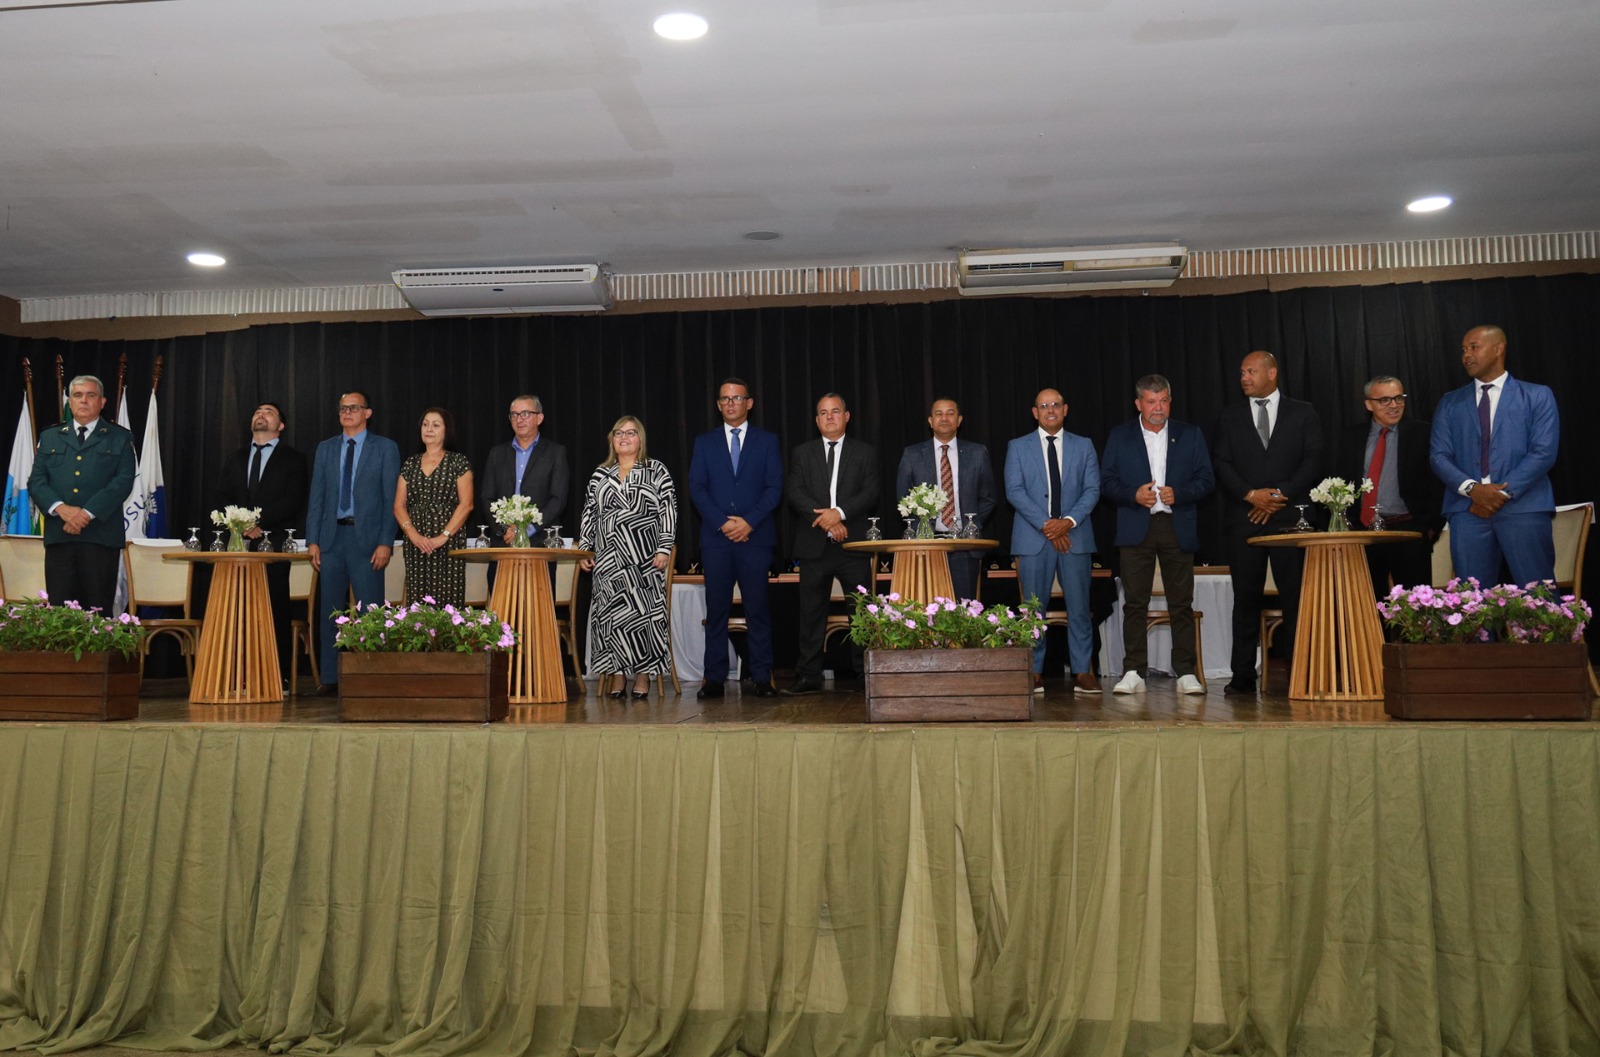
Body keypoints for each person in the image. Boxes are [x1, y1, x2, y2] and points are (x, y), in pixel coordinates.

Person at [1212, 351, 1323, 696]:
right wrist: (1250, 495)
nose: (1244, 377)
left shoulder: (1303, 412)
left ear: (1272, 373)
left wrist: (1278, 496)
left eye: (1251, 371)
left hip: (1290, 520)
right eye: (1241, 371)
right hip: (1245, 520)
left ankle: (1298, 671)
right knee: (1245, 599)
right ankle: (1242, 675)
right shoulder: (1229, 416)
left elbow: (1313, 460)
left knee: (1295, 599)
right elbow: (1222, 462)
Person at [1100, 375, 1214, 696]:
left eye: (1163, 401)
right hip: (1137, 526)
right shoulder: (1121, 436)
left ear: (1170, 401)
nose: (1158, 408)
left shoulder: (1190, 435)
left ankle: (1186, 672)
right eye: (1151, 402)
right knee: (1135, 603)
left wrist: (1182, 493)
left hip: (1177, 526)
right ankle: (1133, 670)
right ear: (1138, 404)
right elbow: (1106, 482)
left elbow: (1207, 479)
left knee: (1182, 603)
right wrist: (1133, 495)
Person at [1429, 324, 1559, 586]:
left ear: (1499, 349)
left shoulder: (1537, 395)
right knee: (1472, 602)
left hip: (1524, 508)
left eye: (1474, 347)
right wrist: (1473, 490)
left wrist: (1498, 494)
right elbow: (1439, 456)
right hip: (1468, 511)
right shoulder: (1450, 402)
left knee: (1538, 596)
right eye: (1464, 349)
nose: (1466, 355)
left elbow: (1543, 452)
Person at [688, 377, 783, 699]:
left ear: (749, 403)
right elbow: (697, 489)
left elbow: (774, 489)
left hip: (755, 539)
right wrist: (723, 523)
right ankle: (713, 678)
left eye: (736, 398)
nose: (730, 403)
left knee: (757, 610)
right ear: (718, 405)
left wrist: (749, 522)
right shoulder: (704, 442)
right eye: (725, 399)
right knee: (717, 611)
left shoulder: (767, 441)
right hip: (717, 539)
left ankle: (761, 677)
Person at [1004, 388, 1102, 695]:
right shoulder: (1017, 447)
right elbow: (1014, 491)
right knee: (1033, 610)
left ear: (1065, 409)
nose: (1050, 410)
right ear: (1035, 412)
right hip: (1034, 538)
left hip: (1075, 536)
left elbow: (1092, 490)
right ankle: (1033, 671)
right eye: (1044, 406)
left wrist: (1067, 523)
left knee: (1079, 608)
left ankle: (1083, 670)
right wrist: (1049, 526)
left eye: (1055, 405)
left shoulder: (1083, 445)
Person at [304, 391, 401, 694]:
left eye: (354, 408)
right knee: (329, 612)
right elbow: (316, 497)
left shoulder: (385, 448)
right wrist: (313, 540)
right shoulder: (325, 449)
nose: (347, 413)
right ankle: (330, 679)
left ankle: (374, 676)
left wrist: (386, 541)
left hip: (368, 540)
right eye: (343, 408)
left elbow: (391, 500)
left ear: (367, 413)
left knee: (371, 612)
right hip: (331, 539)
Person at [784, 393, 880, 695]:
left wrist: (839, 515)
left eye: (835, 411)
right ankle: (809, 675)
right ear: (816, 420)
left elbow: (871, 491)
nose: (829, 417)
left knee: (861, 613)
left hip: (853, 546)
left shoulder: (864, 452)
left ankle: (865, 674)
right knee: (811, 613)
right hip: (814, 545)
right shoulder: (802, 452)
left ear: (847, 416)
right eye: (823, 413)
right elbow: (795, 491)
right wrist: (827, 520)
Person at [577, 416, 677, 699]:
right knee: (611, 617)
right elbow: (589, 514)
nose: (624, 437)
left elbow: (669, 509)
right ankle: (618, 675)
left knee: (643, 617)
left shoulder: (656, 470)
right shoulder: (601, 473)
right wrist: (586, 548)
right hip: (608, 561)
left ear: (640, 439)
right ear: (612, 439)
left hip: (645, 560)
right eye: (619, 433)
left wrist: (664, 547)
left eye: (631, 433)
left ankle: (643, 676)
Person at [211, 402, 308, 685]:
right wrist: (240, 525)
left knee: (274, 608)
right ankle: (238, 674)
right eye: (257, 412)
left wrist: (259, 524)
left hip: (274, 544)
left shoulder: (294, 459)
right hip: (237, 544)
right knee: (238, 609)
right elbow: (221, 497)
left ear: (281, 426)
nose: (260, 415)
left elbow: (293, 499)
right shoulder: (236, 458)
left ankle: (277, 676)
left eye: (268, 412)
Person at [28, 374, 136, 615]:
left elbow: (123, 482)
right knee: (60, 614)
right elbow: (36, 481)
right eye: (77, 395)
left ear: (103, 402)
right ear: (69, 401)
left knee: (97, 611)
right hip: (60, 536)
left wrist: (85, 514)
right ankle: (63, 656)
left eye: (91, 395)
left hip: (100, 537)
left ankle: (98, 656)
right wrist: (62, 509)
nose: (83, 400)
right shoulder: (50, 437)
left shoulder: (120, 437)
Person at [1339, 375, 1442, 596]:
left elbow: (1438, 482)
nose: (1394, 405)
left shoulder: (1424, 434)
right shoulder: (1350, 437)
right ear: (1369, 404)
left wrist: (1431, 527)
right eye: (1385, 400)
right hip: (1363, 534)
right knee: (1368, 606)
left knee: (1415, 609)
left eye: (1398, 398)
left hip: (1408, 531)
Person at [894, 397, 998, 601]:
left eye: (950, 413)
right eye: (938, 413)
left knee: (964, 613)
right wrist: (921, 527)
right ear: (930, 421)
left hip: (964, 546)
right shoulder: (912, 454)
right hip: (925, 547)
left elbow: (988, 497)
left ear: (959, 420)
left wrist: (971, 524)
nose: (944, 418)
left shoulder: (977, 453)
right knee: (924, 611)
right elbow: (903, 498)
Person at [394, 407, 474, 606]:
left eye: (436, 425)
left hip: (449, 543)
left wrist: (443, 536)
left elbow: (467, 505)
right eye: (425, 424)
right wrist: (413, 536)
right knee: (418, 606)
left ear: (447, 430)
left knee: (448, 606)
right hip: (416, 545)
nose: (429, 429)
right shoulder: (410, 464)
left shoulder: (458, 462)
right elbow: (398, 506)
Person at [480, 394, 569, 544]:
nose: (519, 419)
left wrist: (525, 530)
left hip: (540, 541)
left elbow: (557, 500)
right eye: (514, 415)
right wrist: (504, 530)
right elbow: (487, 498)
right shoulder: (497, 453)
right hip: (503, 542)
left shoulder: (555, 453)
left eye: (525, 414)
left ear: (539, 418)